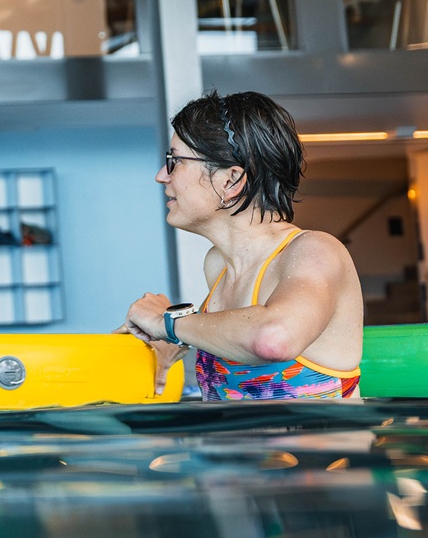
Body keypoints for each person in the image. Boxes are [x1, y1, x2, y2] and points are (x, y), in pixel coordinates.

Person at [119, 91, 364, 400]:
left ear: (232, 180)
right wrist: (175, 342)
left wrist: (168, 323)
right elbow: (242, 352)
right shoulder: (217, 265)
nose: (160, 176)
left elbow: (274, 339)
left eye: (175, 161)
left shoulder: (314, 251)